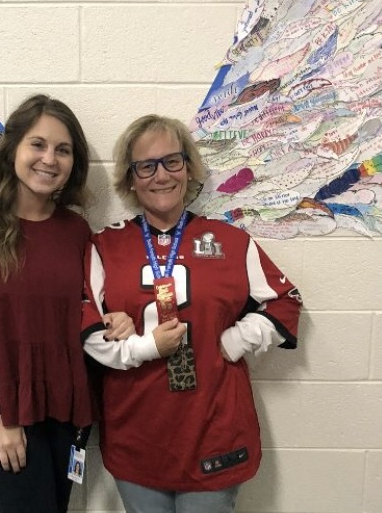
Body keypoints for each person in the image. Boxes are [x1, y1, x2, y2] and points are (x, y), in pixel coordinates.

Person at [82, 114, 303, 513]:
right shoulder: (105, 245)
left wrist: (237, 339)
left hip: (214, 429)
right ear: (130, 179)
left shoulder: (231, 242)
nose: (161, 175)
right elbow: (85, 326)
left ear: (188, 168)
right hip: (138, 430)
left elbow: (286, 299)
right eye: (146, 166)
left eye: (172, 161)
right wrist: (134, 340)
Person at [0, 94, 132, 513]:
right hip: (1, 411)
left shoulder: (75, 230)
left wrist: (115, 320)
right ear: (13, 149)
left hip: (64, 408)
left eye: (63, 149)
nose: (50, 159)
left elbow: (84, 308)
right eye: (38, 144)